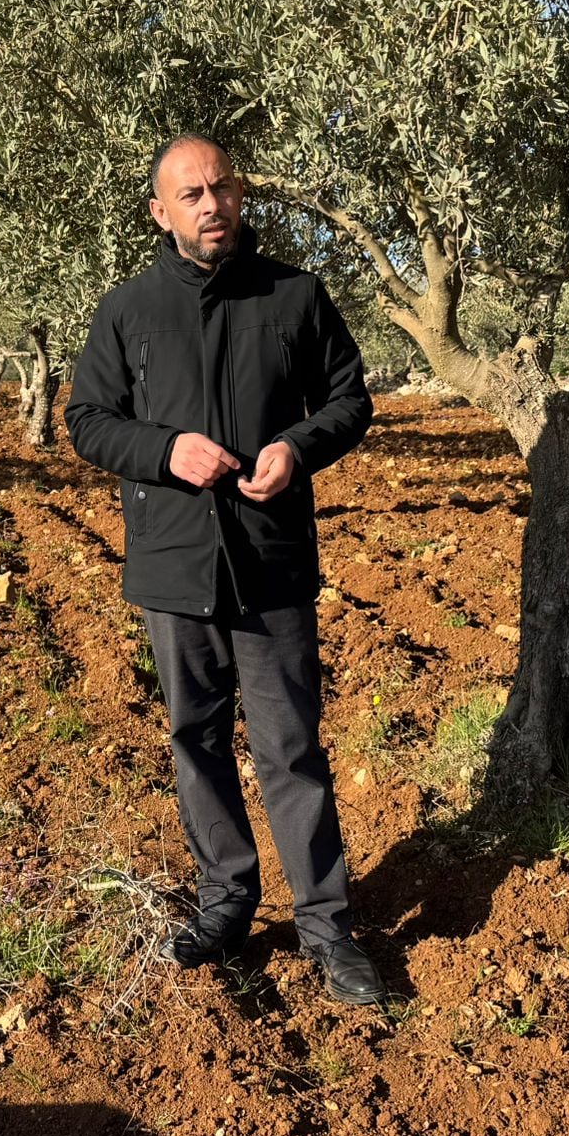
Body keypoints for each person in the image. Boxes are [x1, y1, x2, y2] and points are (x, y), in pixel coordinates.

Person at [65, 134, 384, 1005]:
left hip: (271, 560)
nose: (212, 205)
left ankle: (327, 927)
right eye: (191, 194)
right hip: (173, 565)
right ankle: (226, 904)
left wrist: (297, 446)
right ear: (161, 213)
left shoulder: (295, 295)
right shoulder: (127, 311)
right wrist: (165, 452)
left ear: (240, 195)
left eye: (223, 188)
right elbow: (87, 420)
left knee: (292, 748)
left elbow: (350, 399)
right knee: (196, 741)